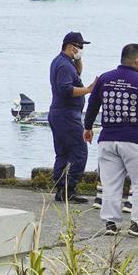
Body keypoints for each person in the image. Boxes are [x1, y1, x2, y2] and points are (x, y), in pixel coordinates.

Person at [84, 43, 138, 238]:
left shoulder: (104, 79)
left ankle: (111, 223)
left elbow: (92, 105)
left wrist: (88, 127)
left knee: (111, 183)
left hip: (107, 139)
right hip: (135, 140)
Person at [49, 32, 97, 204]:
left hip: (60, 114)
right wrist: (89, 89)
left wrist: (77, 59)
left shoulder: (64, 62)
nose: (82, 50)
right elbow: (66, 90)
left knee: (62, 153)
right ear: (70, 46)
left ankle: (61, 189)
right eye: (80, 47)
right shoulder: (63, 65)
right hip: (66, 115)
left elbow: (76, 74)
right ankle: (69, 189)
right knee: (79, 152)